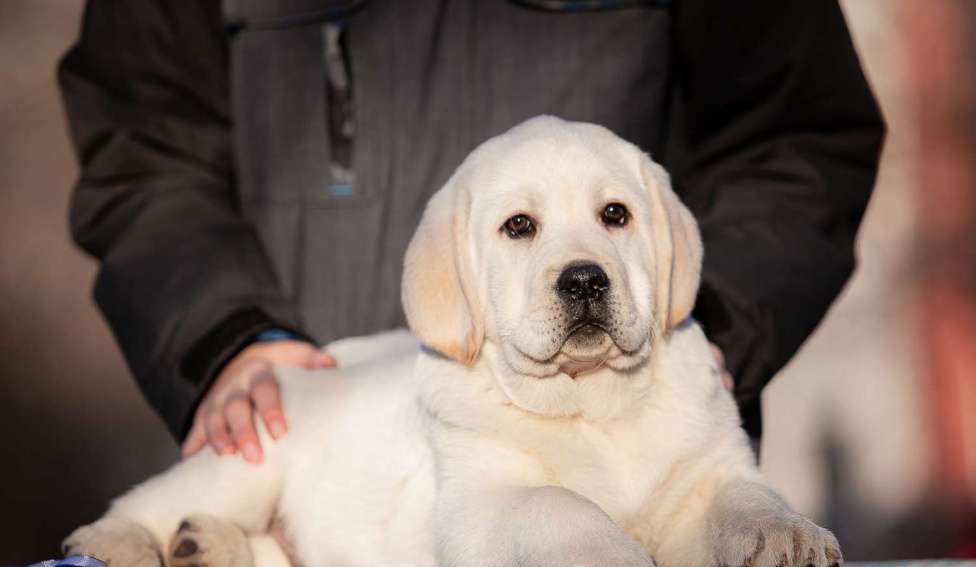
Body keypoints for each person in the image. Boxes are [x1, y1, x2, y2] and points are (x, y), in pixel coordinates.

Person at [59, 0, 883, 463]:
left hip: (631, 481)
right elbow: (146, 144)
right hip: (315, 492)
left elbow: (797, 135)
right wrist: (230, 338)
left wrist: (704, 320)